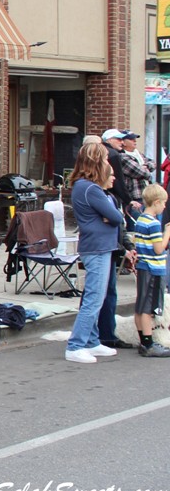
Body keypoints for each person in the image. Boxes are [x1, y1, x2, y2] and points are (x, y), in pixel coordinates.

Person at [65, 143, 123, 363]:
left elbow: (112, 216)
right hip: (97, 247)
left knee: (96, 297)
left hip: (100, 246)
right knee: (94, 299)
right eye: (106, 158)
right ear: (97, 162)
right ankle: (76, 345)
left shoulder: (88, 187)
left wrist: (109, 217)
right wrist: (109, 217)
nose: (109, 162)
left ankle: (92, 340)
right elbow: (116, 217)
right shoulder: (90, 188)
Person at [132, 184, 170, 357]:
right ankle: (149, 344)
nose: (164, 207)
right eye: (163, 204)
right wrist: (167, 233)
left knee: (140, 305)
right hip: (153, 269)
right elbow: (159, 249)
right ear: (156, 202)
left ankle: (143, 340)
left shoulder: (140, 219)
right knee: (148, 307)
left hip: (142, 267)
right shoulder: (154, 224)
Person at [120, 129, 154, 224]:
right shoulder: (122, 156)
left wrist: (145, 166)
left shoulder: (138, 154)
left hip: (146, 195)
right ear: (123, 142)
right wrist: (144, 169)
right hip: (135, 197)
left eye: (135, 139)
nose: (135, 141)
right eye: (131, 139)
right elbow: (141, 172)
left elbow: (153, 163)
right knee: (137, 225)